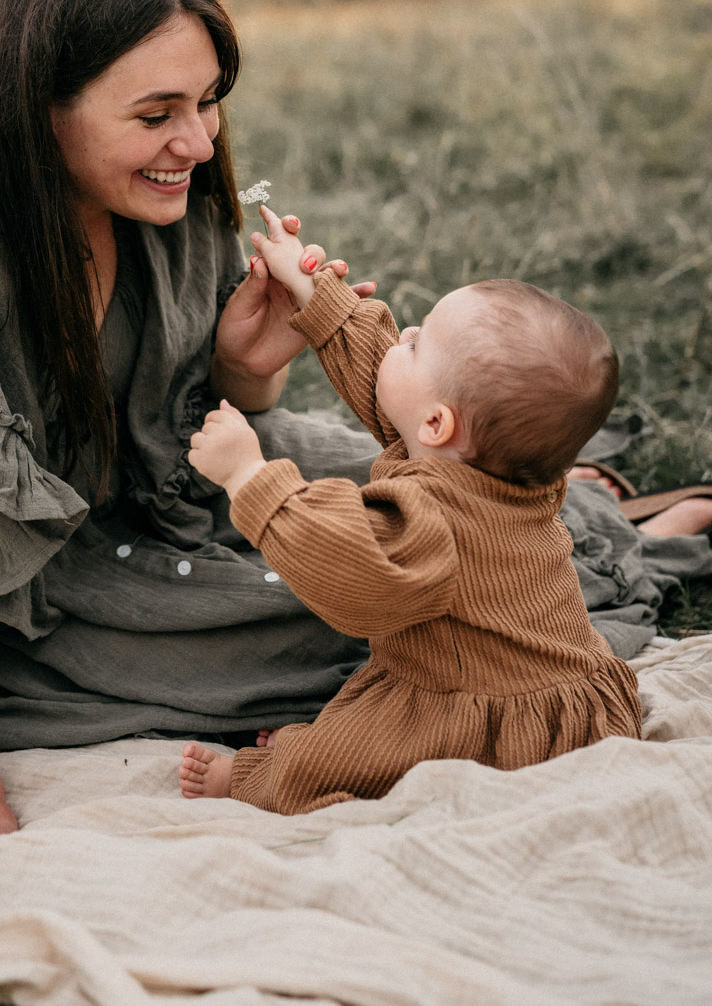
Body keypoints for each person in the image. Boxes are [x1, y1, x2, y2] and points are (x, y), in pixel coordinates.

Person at [0, 0, 712, 841]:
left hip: (170, 494)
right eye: (156, 112)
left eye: (207, 102)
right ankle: (589, 548)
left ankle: (584, 527)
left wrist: (242, 369)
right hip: (16, 610)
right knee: (390, 616)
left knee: (411, 490)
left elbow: (190, 422)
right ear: (37, 104)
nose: (199, 143)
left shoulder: (154, 184)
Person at [179, 210, 642, 809]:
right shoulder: (505, 467)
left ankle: (248, 780)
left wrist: (248, 474)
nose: (402, 336)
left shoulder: (431, 519)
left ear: (437, 423)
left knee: (337, 755)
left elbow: (349, 566)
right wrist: (314, 291)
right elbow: (386, 375)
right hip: (581, 704)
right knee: (347, 722)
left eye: (417, 342)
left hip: (487, 728)